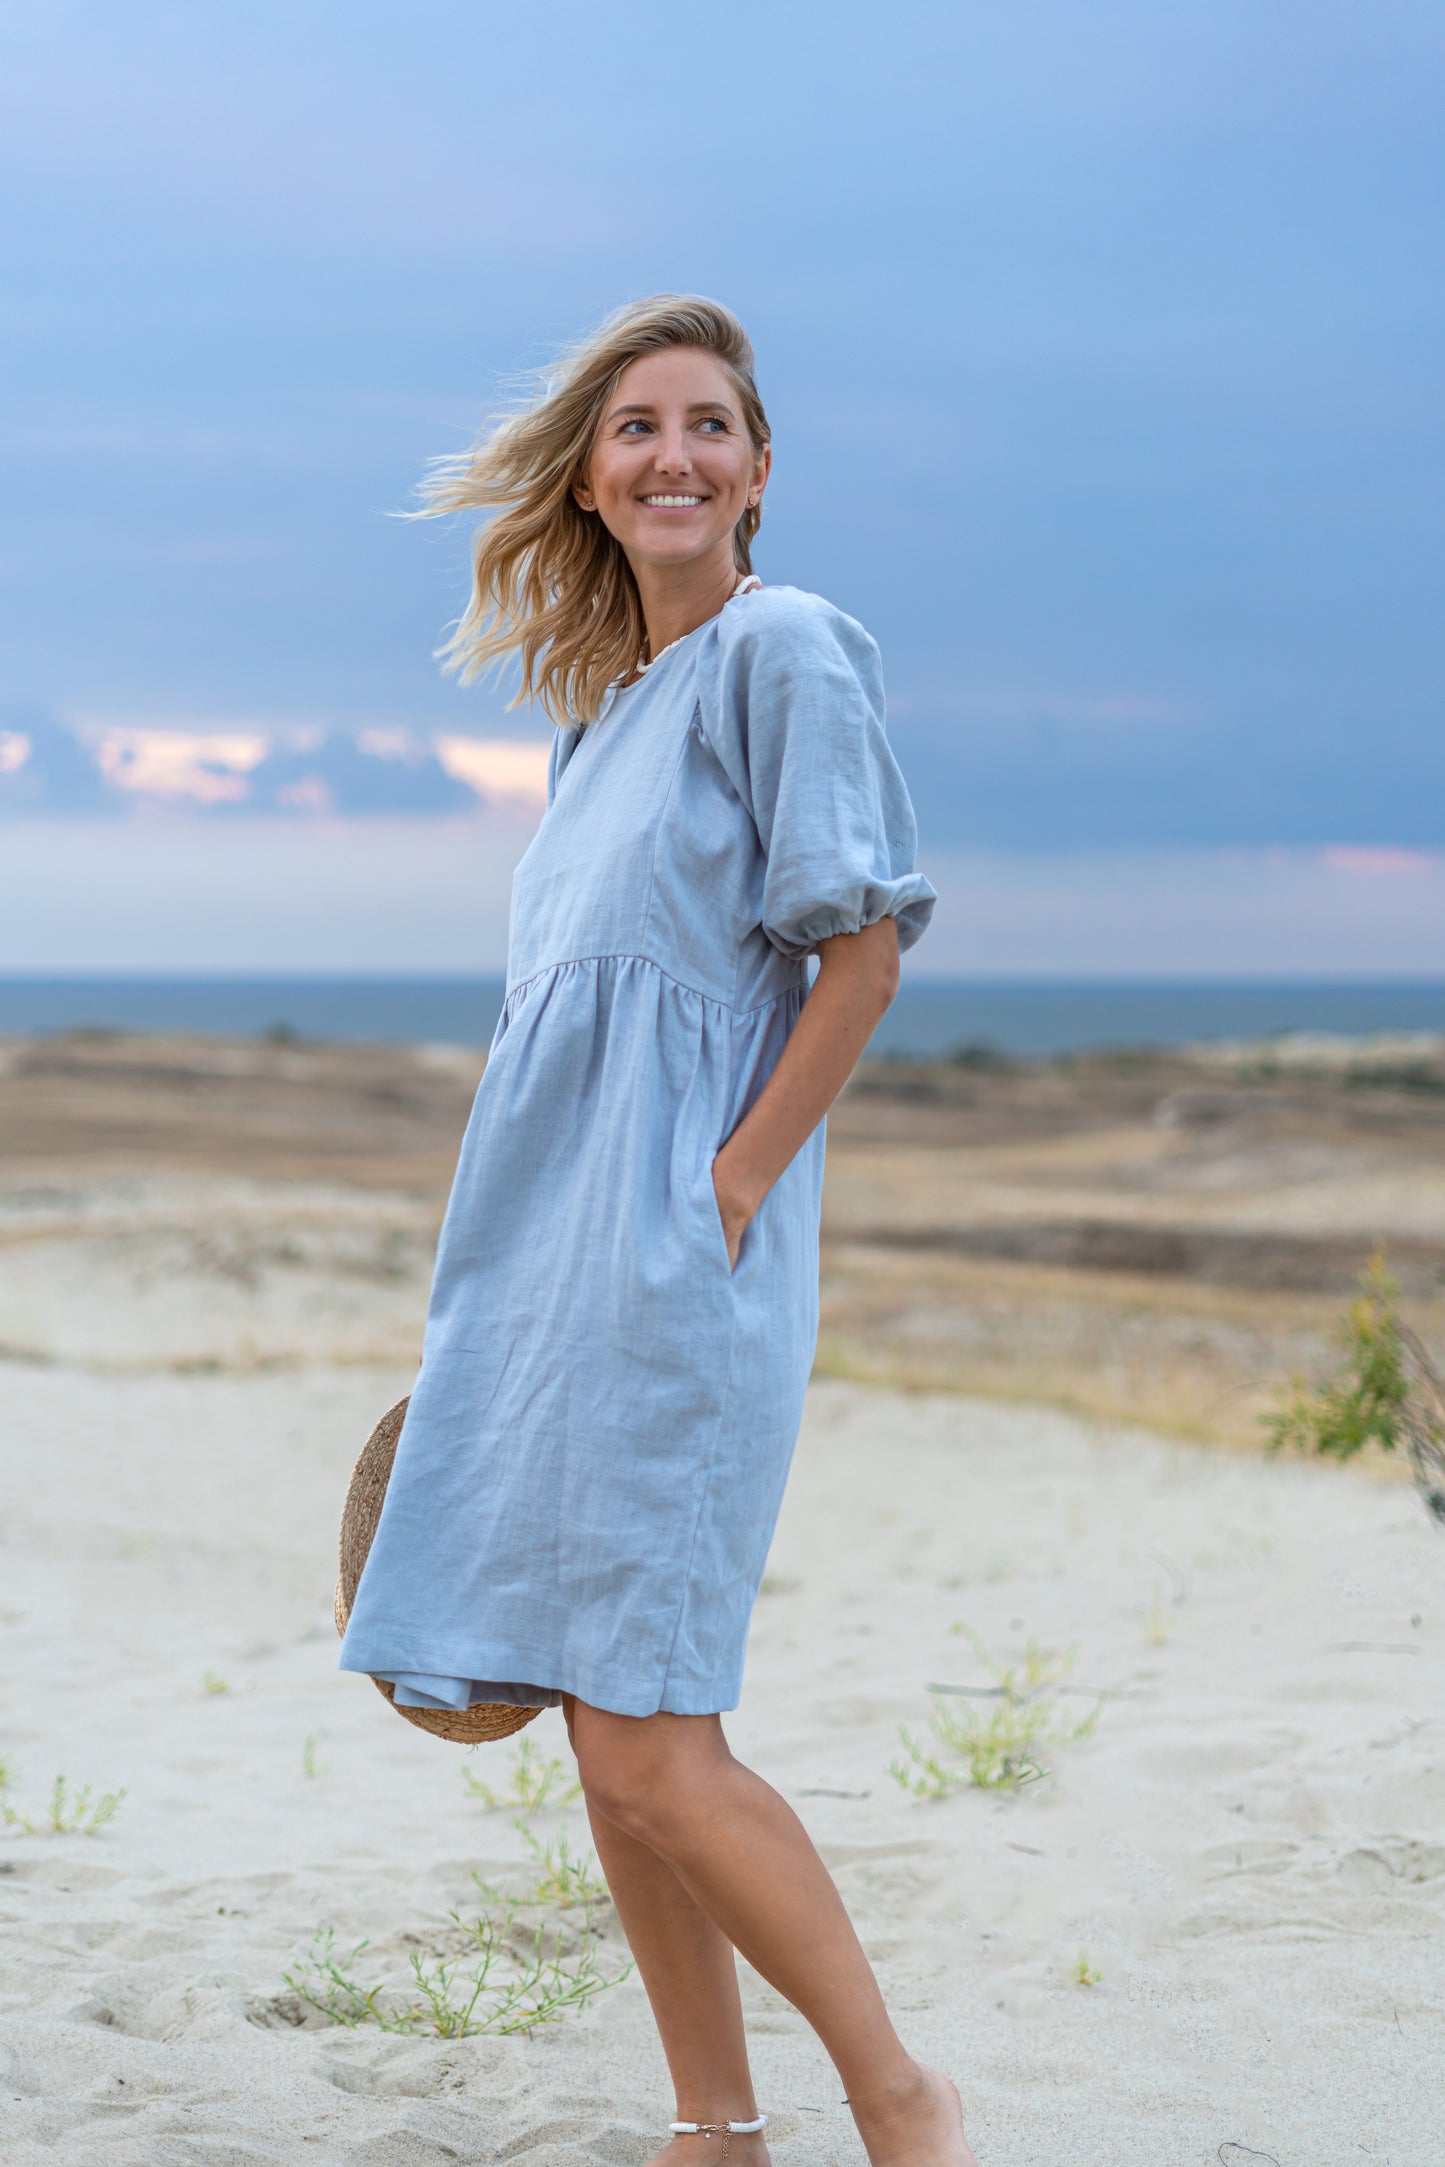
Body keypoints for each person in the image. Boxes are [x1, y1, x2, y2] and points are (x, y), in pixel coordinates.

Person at [339, 294, 976, 2167]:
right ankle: (715, 2126)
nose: (672, 454)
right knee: (597, 1733)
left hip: (677, 1272)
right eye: (635, 427)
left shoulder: (785, 648)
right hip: (544, 1280)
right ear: (590, 478)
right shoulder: (600, 718)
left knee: (654, 1743)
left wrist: (731, 1185)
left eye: (708, 424)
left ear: (758, 473)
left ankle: (904, 2103)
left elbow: (860, 952)